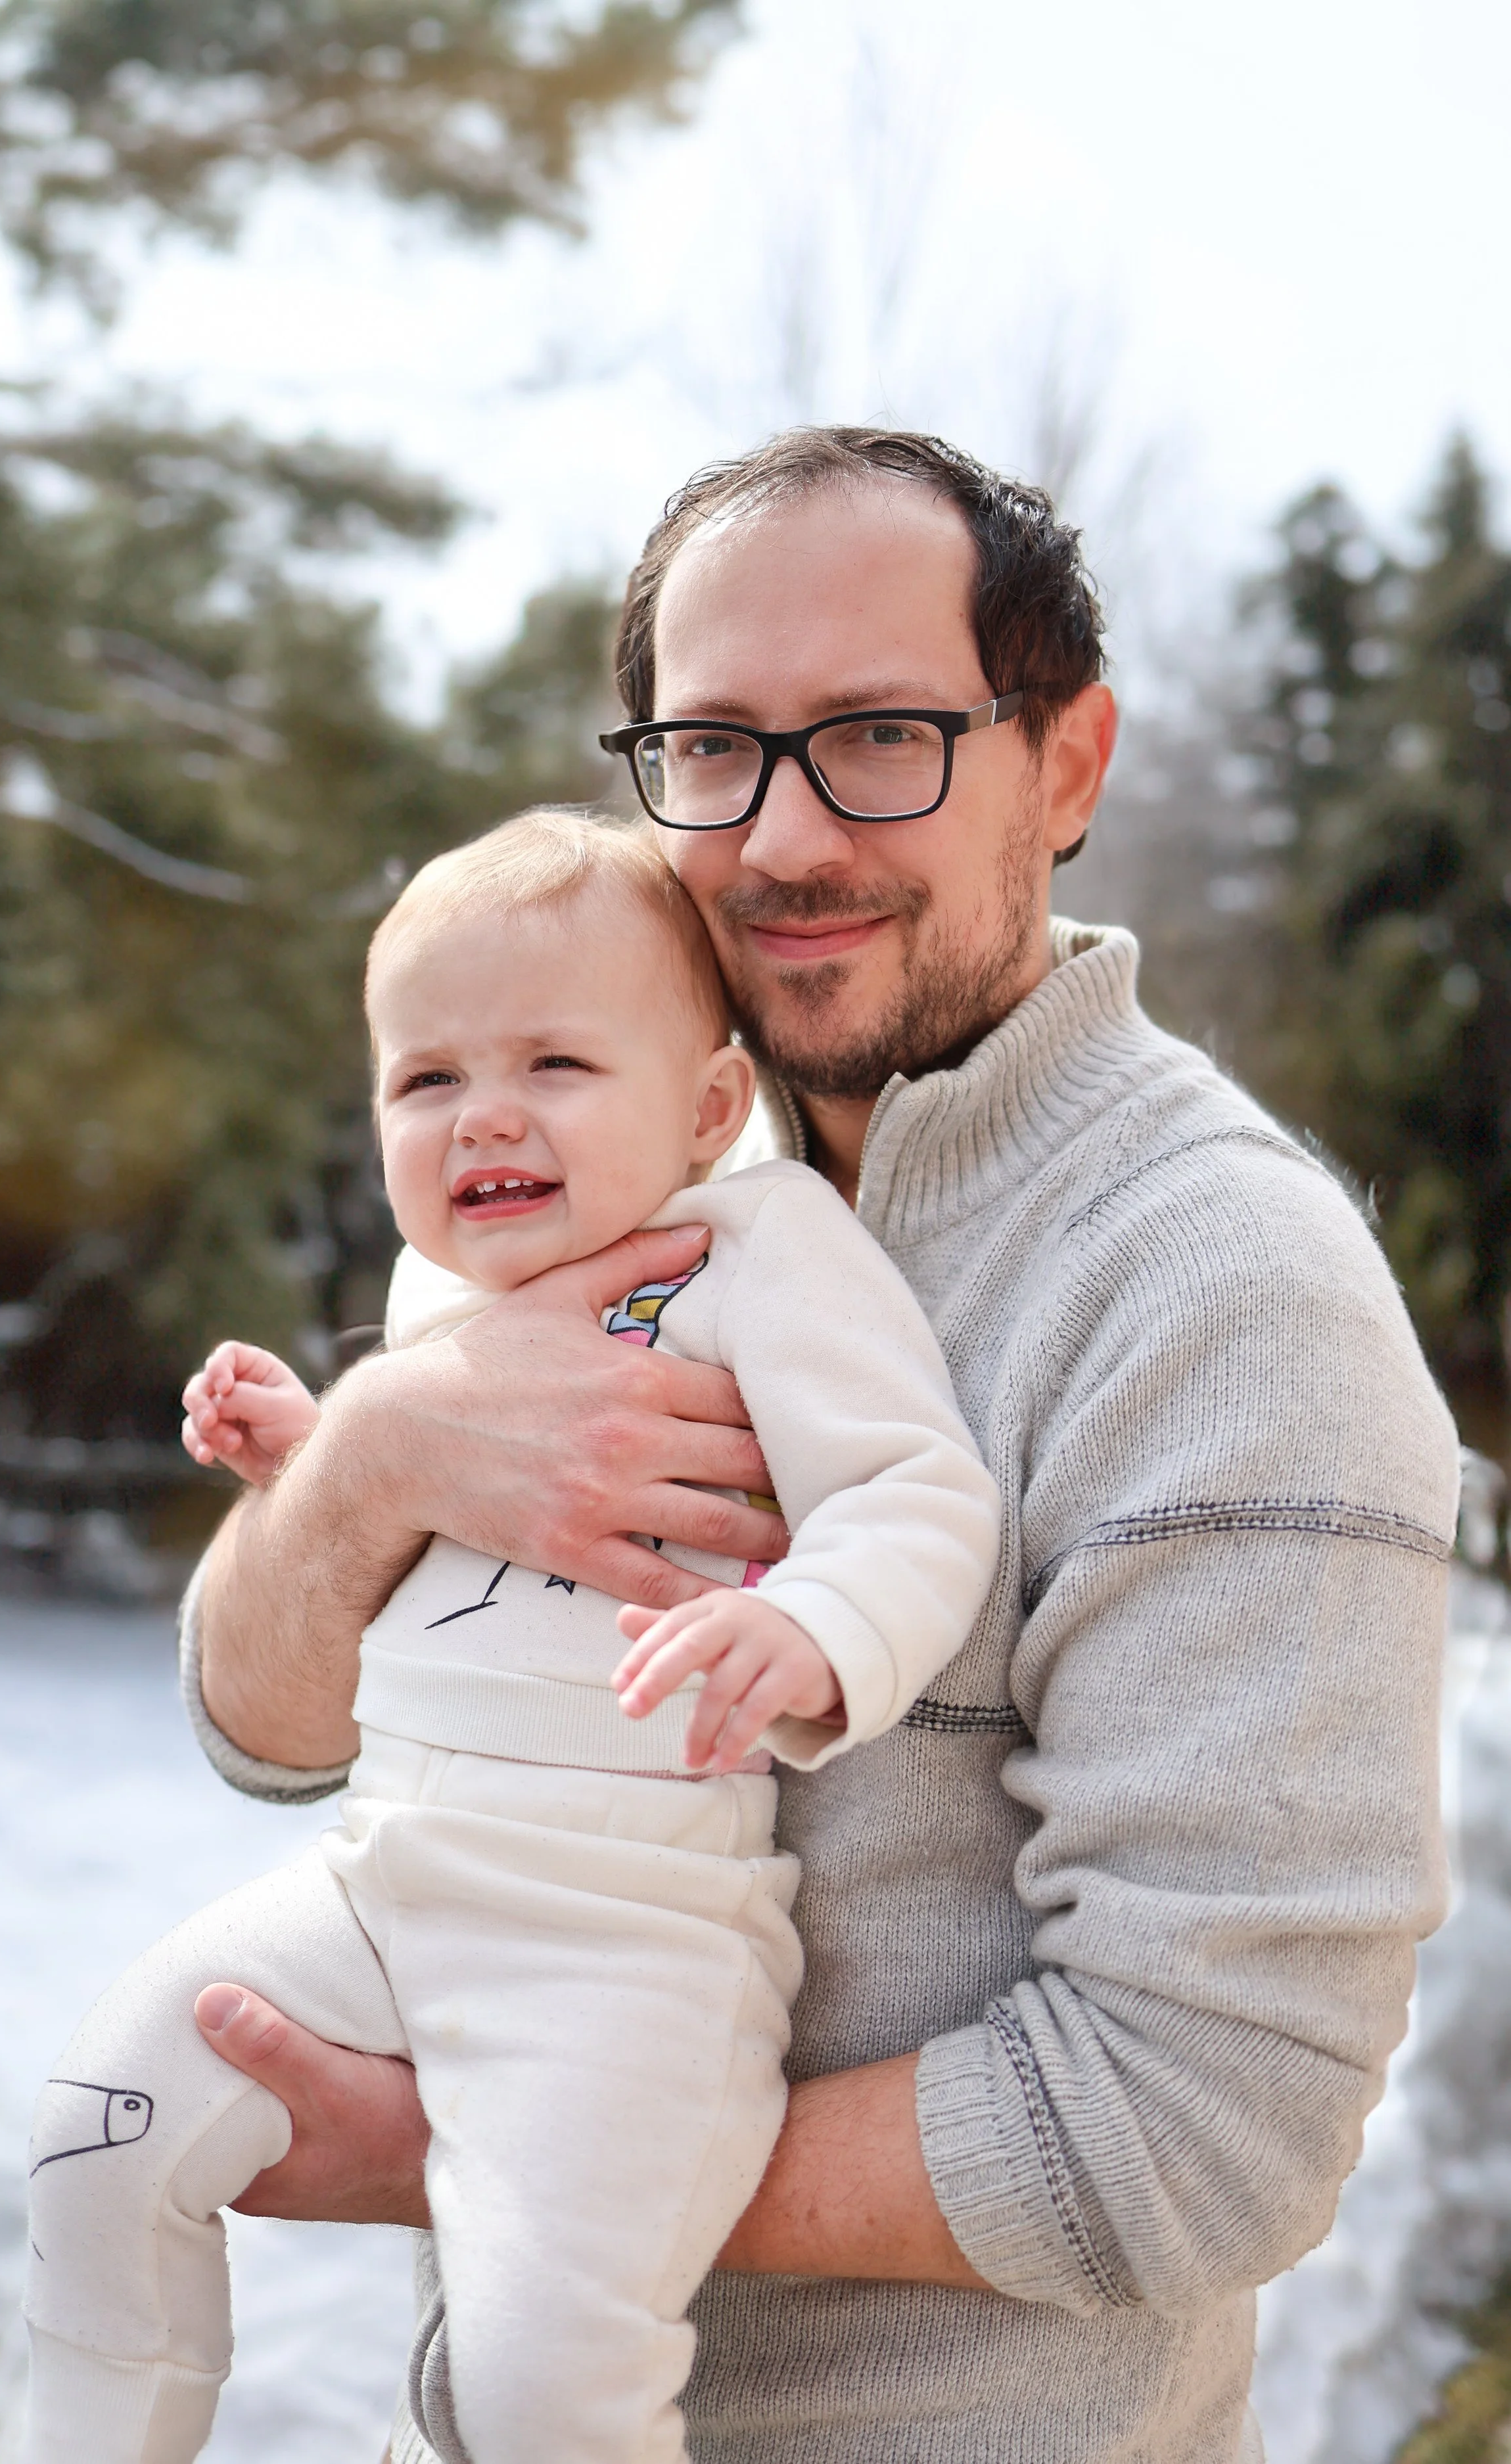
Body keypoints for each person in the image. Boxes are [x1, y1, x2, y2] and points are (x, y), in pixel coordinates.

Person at [179, 428, 1459, 2464]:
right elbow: (265, 1727)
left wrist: (504, 2155)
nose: (780, 837)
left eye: (878, 735)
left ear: (1066, 763)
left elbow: (1207, 2124)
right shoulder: (615, 1174)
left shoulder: (1222, 1294)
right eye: (712, 745)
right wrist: (367, 1462)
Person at [22, 810, 1000, 2464]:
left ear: (706, 1105)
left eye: (553, 1063)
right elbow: (430, 1526)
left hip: (624, 1945)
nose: (483, 1114)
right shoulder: (434, 1303)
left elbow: (918, 1493)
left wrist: (820, 1634)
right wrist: (315, 1449)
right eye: (425, 1081)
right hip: (386, 1880)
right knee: (97, 2129)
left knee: (543, 2387)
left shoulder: (758, 1250)